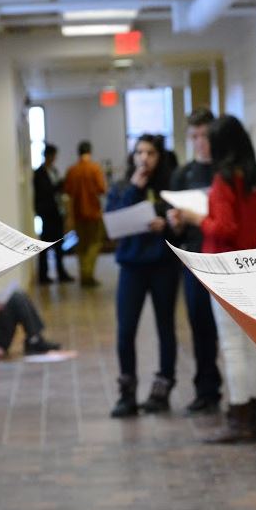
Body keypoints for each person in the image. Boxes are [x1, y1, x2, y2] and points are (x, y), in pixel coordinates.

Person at [169, 116, 256, 442]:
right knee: (252, 347)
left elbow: (225, 229)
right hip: (254, 268)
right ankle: (252, 413)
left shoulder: (223, 181)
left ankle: (239, 419)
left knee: (232, 347)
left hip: (226, 270)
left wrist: (199, 218)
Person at [107, 135, 181, 417]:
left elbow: (181, 225)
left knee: (165, 328)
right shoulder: (122, 186)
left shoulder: (169, 187)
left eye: (150, 153)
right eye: (139, 152)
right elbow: (113, 221)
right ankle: (127, 393)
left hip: (163, 265)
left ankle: (162, 390)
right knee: (126, 330)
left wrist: (167, 225)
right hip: (131, 267)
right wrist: (135, 189)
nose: (144, 158)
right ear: (132, 156)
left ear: (159, 156)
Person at [170, 108, 222, 415]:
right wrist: (176, 220)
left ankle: (246, 394)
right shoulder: (183, 174)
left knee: (227, 329)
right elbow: (177, 224)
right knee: (200, 326)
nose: (199, 142)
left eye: (204, 135)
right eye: (194, 136)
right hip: (193, 257)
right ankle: (207, 389)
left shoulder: (225, 171)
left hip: (224, 257)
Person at [63, 140, 107, 287]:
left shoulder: (71, 170)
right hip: (94, 213)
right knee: (94, 243)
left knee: (81, 245)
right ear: (90, 151)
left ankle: (83, 275)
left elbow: (67, 193)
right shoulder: (95, 168)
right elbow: (102, 189)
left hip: (77, 214)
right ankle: (88, 275)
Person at [33, 143, 73, 284]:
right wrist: (60, 185)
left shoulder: (54, 171)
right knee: (45, 244)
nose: (55, 158)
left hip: (57, 212)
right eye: (53, 155)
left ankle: (61, 272)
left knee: (59, 244)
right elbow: (46, 191)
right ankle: (43, 275)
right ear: (48, 156)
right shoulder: (39, 173)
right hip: (47, 213)